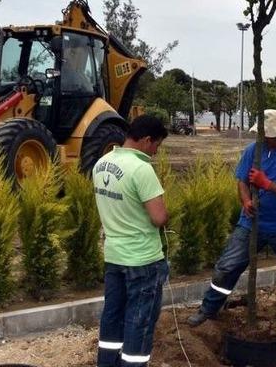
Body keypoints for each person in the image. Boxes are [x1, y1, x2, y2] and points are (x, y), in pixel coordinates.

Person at [187, 109, 276, 340]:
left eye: (266, 134)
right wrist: (246, 200)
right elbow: (242, 181)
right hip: (252, 223)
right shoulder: (253, 150)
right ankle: (208, 309)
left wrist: (267, 184)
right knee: (227, 266)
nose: (262, 138)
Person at [92, 115, 170, 367]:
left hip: (114, 255)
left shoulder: (101, 163)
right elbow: (158, 217)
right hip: (142, 260)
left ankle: (106, 363)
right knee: (140, 322)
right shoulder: (141, 169)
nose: (156, 152)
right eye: (157, 145)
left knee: (112, 317)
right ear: (147, 140)